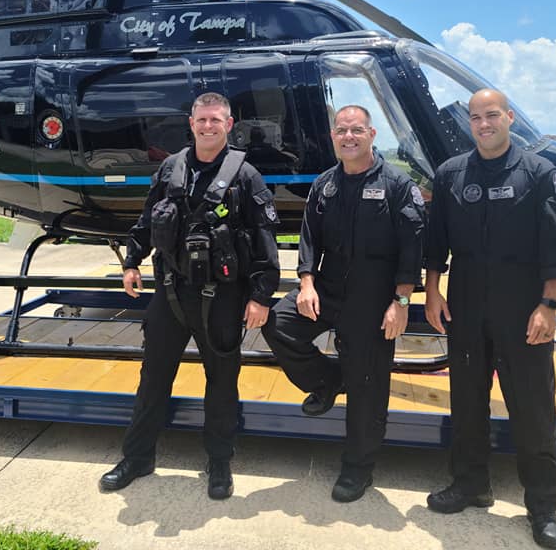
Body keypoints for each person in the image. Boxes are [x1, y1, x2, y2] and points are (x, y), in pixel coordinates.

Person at [100, 92, 281, 499]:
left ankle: (219, 462)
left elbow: (265, 239)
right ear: (192, 122)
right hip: (171, 291)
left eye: (216, 120)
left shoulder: (245, 175)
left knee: (221, 382)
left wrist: (262, 295)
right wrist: (131, 262)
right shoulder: (170, 168)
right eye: (202, 120)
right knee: (153, 378)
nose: (208, 127)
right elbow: (148, 220)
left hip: (223, 296)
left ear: (229, 124)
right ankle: (138, 457)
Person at [424, 88, 556, 550]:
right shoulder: (451, 174)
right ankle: (472, 485)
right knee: (467, 401)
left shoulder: (540, 174)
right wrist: (431, 290)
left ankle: (543, 507)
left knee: (532, 409)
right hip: (466, 306)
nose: (484, 124)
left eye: (492, 115)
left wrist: (548, 306)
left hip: (523, 308)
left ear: (509, 117)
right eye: (475, 117)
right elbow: (436, 241)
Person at [261, 105, 425, 502]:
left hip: (374, 294)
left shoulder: (397, 185)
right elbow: (309, 238)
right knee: (277, 324)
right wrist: (306, 282)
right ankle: (328, 380)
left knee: (368, 386)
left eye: (356, 130)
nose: (348, 137)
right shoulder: (325, 184)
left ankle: (358, 468)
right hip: (329, 287)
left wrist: (400, 301)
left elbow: (412, 246)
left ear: (371, 134)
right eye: (341, 131)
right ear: (332, 137)